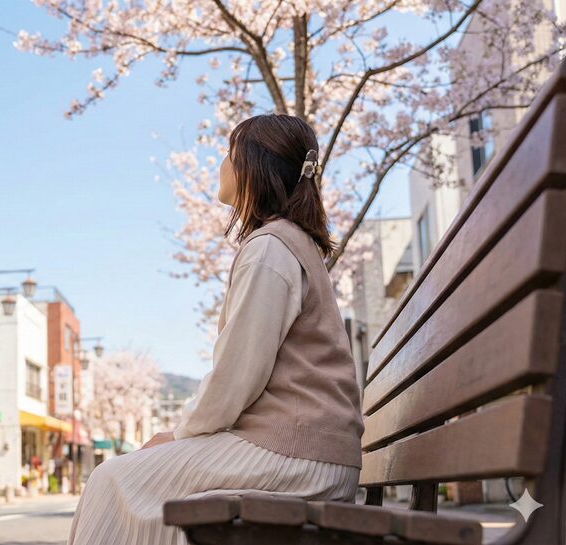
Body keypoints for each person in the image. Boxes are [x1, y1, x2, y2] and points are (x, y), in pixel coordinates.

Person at [68, 114, 364, 545]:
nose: (221, 164)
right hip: (312, 451)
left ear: (253, 167)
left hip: (298, 456)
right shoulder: (289, 243)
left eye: (230, 154)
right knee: (133, 483)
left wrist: (177, 434)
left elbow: (235, 377)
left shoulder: (270, 248)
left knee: (112, 478)